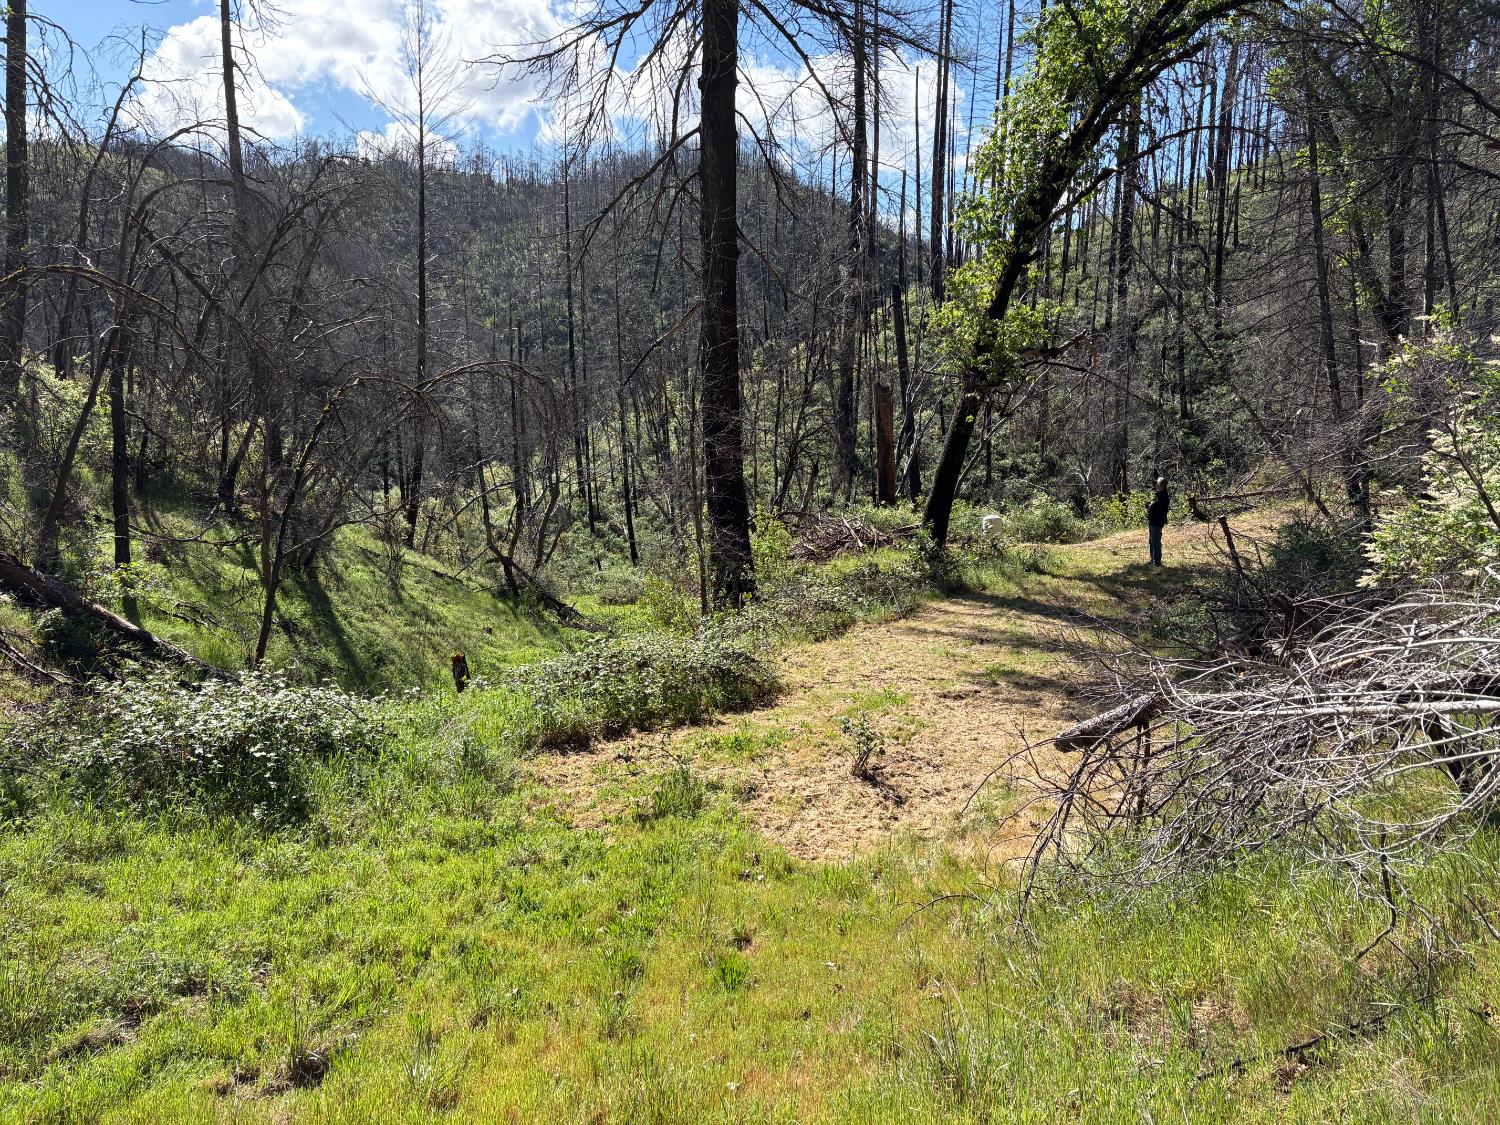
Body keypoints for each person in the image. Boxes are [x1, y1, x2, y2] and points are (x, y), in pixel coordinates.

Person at [1146, 477, 1170, 566]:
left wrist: (1150, 507)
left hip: (1157, 522)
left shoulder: (1163, 497)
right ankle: (1153, 560)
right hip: (1153, 522)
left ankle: (1157, 562)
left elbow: (1158, 509)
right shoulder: (1159, 495)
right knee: (1152, 542)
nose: (1156, 485)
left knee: (1155, 542)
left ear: (1161, 485)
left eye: (1157, 484)